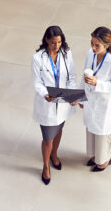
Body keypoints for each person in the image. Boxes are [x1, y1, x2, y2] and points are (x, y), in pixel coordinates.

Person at [32, 25, 77, 185]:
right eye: (53, 42)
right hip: (48, 103)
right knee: (47, 138)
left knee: (58, 130)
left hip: (63, 102)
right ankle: (46, 166)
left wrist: (71, 95)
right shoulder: (38, 58)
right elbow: (37, 82)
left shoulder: (66, 53)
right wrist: (45, 94)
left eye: (59, 42)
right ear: (46, 40)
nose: (57, 46)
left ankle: (54, 155)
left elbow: (72, 76)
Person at [81, 26, 111, 171]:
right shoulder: (90, 54)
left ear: (106, 45)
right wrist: (81, 97)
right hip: (91, 101)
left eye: (97, 45)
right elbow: (84, 74)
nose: (93, 48)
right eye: (92, 43)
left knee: (103, 133)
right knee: (91, 130)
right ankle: (95, 156)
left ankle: (104, 160)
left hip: (105, 105)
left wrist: (98, 84)